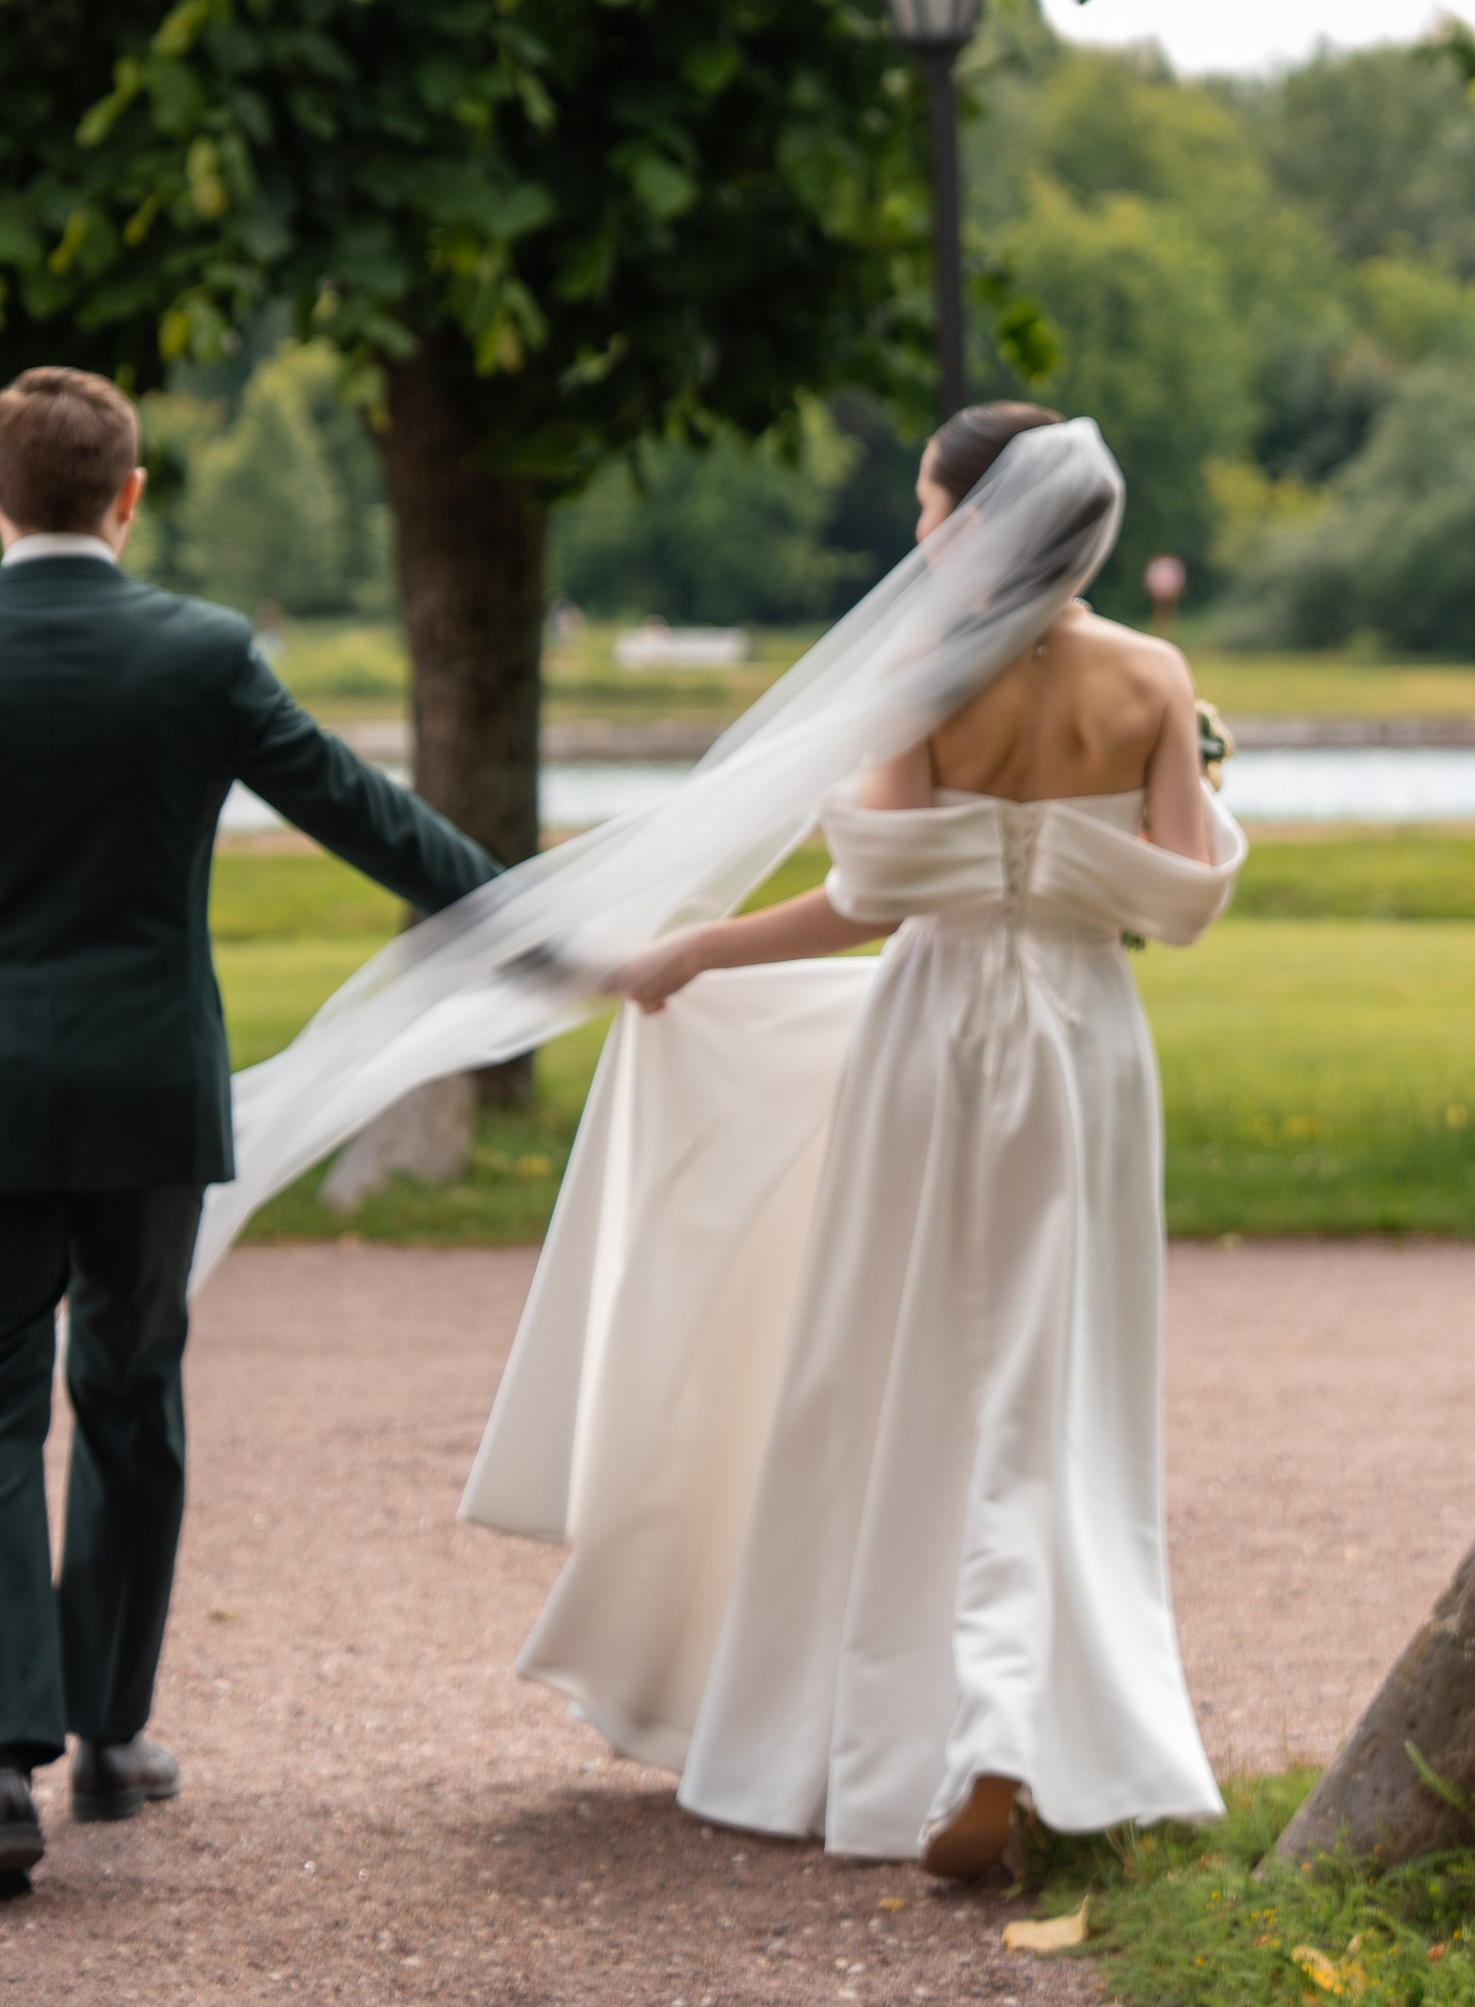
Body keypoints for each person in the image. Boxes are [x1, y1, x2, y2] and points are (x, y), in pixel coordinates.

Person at [461, 397, 1244, 1881]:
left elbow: (875, 896)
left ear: (978, 520)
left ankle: (885, 1729)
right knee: (1052, 1380)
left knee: (889, 1361)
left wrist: (699, 948)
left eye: (929, 509)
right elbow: (1182, 900)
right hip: (1083, 1051)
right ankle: (1028, 1731)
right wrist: (1088, 856)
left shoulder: (919, 680)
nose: (917, 537)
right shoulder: (1153, 676)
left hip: (937, 1040)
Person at [0, 364, 499, 1902]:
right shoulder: (201, 654)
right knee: (126, 1395)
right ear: (133, 496)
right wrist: (536, 921)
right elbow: (365, 816)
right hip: (148, 1101)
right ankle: (107, 1737)